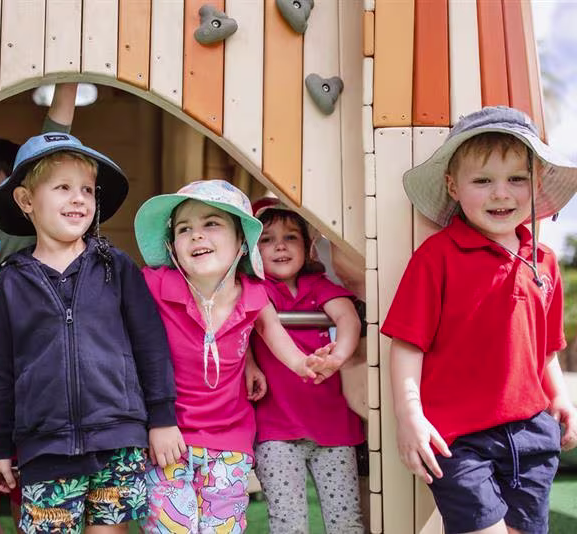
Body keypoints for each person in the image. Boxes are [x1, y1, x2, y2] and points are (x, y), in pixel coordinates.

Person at [381, 106, 577, 534]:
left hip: (532, 434)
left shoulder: (543, 260)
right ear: (453, 186)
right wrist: (409, 414)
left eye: (516, 179)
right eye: (483, 180)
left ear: (536, 184)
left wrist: (560, 397)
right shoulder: (437, 258)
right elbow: (409, 343)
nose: (501, 194)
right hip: (460, 439)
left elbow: (546, 349)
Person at [0, 133, 182, 533]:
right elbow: (2, 369)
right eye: (63, 188)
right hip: (46, 445)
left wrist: (162, 418)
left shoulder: (117, 267)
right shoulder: (12, 281)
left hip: (118, 437)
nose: (79, 199)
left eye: (87, 190)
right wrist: (1, 447)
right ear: (26, 201)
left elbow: (150, 345)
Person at [133, 180, 334, 533]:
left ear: (242, 243)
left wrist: (303, 363)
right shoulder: (155, 285)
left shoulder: (254, 294)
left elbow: (272, 333)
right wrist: (152, 424)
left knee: (221, 528)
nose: (197, 235)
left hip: (230, 438)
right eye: (184, 229)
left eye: (211, 223)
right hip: (168, 434)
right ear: (171, 247)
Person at [0, 83, 77, 533]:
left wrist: (68, 84)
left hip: (37, 394)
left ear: (19, 193)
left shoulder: (23, 231)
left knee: (40, 501)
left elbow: (52, 141)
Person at [250, 197, 365, 534]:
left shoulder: (319, 287)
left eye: (291, 237)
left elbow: (348, 319)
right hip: (277, 428)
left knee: (345, 521)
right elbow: (264, 325)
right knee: (288, 522)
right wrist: (302, 363)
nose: (280, 247)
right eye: (267, 239)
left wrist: (337, 357)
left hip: (333, 427)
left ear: (309, 247)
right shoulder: (256, 290)